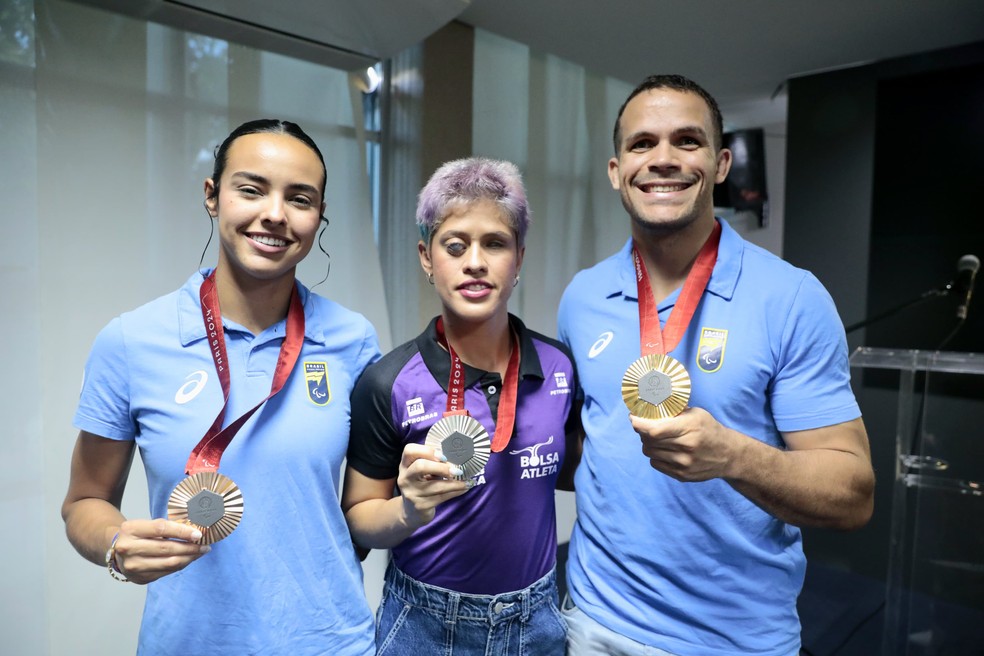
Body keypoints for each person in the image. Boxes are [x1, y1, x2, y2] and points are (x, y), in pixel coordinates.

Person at [556, 74, 876, 656]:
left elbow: (853, 494)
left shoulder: (792, 298)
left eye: (687, 140)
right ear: (615, 170)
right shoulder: (582, 296)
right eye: (642, 144)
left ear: (722, 163)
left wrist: (733, 456)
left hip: (730, 640)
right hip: (591, 621)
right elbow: (589, 442)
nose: (663, 159)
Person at [62, 119, 379, 655]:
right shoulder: (132, 341)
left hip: (330, 642)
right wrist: (116, 544)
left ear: (319, 216)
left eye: (300, 199)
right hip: (188, 644)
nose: (274, 214)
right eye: (251, 189)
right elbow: (85, 501)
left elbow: (362, 508)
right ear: (212, 196)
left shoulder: (353, 340)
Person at [342, 157, 579, 655]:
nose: (475, 261)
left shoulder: (559, 367)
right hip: (424, 623)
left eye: (495, 243)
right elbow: (360, 517)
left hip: (536, 619)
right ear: (427, 258)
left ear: (519, 258)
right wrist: (408, 509)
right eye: (456, 246)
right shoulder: (387, 382)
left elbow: (573, 471)